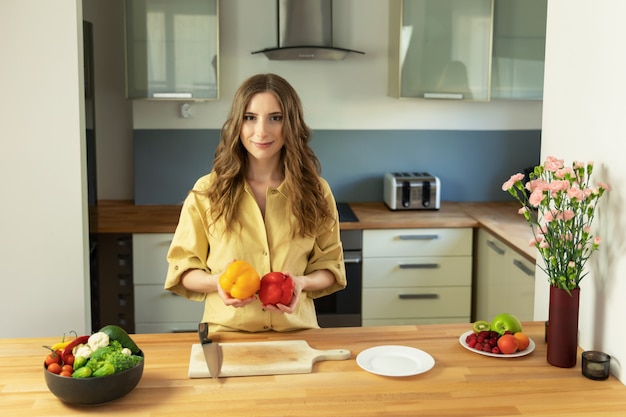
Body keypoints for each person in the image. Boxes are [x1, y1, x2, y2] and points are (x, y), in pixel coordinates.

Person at [164, 73, 346, 332]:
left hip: (297, 334)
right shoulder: (208, 190)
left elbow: (330, 265)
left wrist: (302, 283)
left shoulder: (316, 191)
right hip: (226, 334)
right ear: (237, 123)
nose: (261, 131)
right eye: (250, 118)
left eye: (276, 118)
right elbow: (183, 269)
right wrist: (218, 282)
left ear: (291, 124)